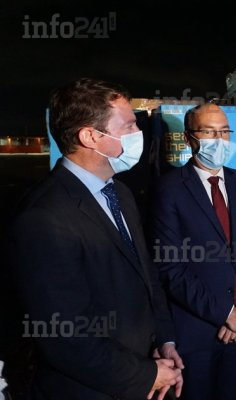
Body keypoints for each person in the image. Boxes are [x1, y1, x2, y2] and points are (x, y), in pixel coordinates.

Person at [9, 78, 183, 400]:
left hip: (146, 369)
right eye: (129, 125)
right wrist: (147, 375)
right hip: (93, 389)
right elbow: (66, 336)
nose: (138, 133)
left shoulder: (121, 193)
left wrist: (165, 340)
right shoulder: (44, 217)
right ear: (90, 136)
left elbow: (147, 276)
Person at [151, 103, 236, 400]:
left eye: (224, 131)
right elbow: (170, 268)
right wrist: (226, 314)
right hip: (195, 332)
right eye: (208, 132)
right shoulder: (169, 189)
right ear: (189, 138)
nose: (219, 140)